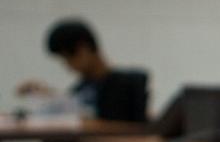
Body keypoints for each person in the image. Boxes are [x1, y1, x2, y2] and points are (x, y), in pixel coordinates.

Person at [17, 19, 148, 122]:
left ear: (83, 49)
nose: (67, 66)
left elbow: (113, 121)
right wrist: (45, 96)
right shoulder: (82, 86)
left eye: (67, 58)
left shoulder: (123, 85)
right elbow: (71, 107)